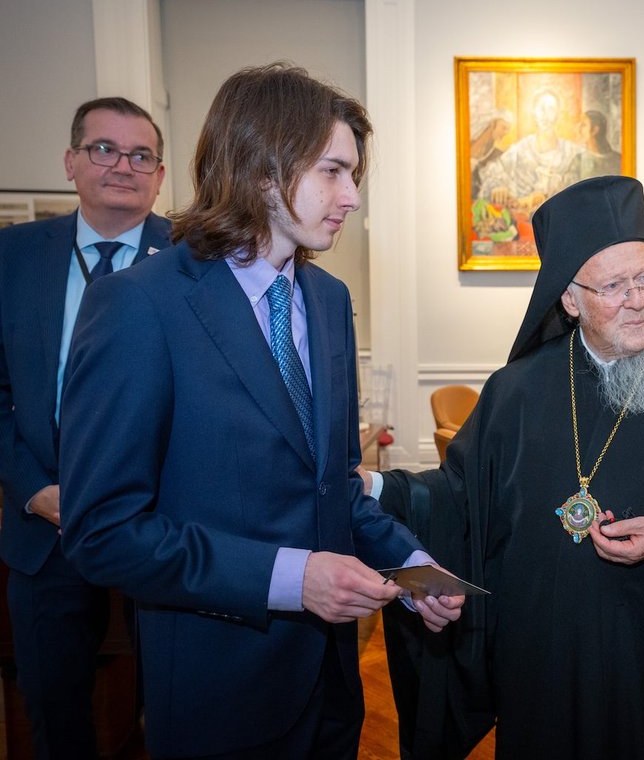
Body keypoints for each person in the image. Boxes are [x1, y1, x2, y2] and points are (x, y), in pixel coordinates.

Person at [58, 63, 463, 759]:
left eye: (355, 174)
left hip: (330, 687)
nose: (353, 198)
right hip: (220, 688)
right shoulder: (142, 305)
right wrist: (290, 578)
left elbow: (332, 481)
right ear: (265, 168)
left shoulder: (328, 301)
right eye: (335, 171)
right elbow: (103, 532)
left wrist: (412, 562)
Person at [367, 175, 644, 759]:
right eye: (614, 285)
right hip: (545, 661)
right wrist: (379, 489)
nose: (638, 299)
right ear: (569, 300)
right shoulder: (515, 393)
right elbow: (462, 497)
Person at [0, 96, 171, 759]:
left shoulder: (193, 258)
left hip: (159, 524)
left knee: (172, 703)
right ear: (71, 161)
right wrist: (33, 489)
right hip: (44, 527)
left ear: (159, 175)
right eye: (103, 148)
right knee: (53, 710)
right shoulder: (12, 256)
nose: (121, 165)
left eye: (141, 155)